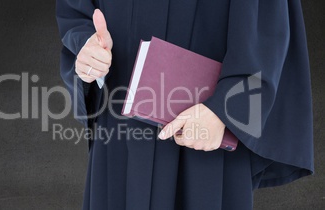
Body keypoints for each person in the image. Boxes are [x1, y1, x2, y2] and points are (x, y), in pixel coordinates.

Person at [56, 0, 314, 209]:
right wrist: (87, 47)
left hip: (206, 130)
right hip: (121, 126)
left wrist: (227, 111)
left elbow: (265, 24)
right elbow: (77, 12)